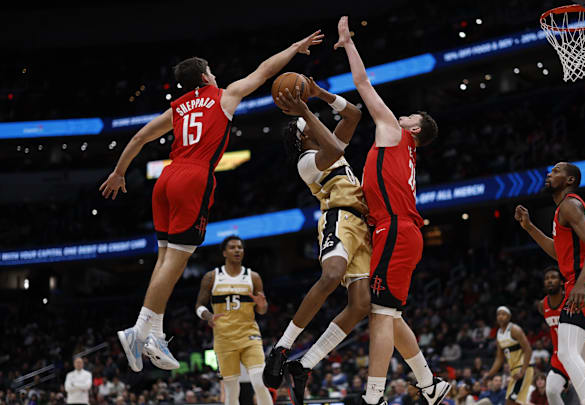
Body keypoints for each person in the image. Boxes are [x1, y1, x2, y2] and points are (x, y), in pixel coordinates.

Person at [99, 31, 324, 372]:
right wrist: (294, 48)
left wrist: (119, 173)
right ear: (206, 77)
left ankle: (152, 332)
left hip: (168, 179)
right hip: (194, 177)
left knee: (164, 259)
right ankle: (138, 329)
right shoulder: (223, 95)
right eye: (213, 72)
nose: (216, 75)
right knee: (175, 263)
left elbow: (141, 136)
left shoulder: (177, 107)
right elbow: (264, 71)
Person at [333, 16, 447, 405]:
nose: (402, 116)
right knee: (390, 314)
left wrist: (348, 43)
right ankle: (429, 382)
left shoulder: (393, 132)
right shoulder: (405, 147)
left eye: (410, 117)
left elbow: (362, 84)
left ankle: (374, 397)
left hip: (396, 230)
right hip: (397, 230)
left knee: (381, 314)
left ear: (414, 130)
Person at [263, 77, 370, 405]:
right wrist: (307, 110)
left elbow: (353, 116)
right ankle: (283, 345)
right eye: (306, 123)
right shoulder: (307, 163)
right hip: (339, 218)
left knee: (361, 305)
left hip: (362, 228)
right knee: (331, 275)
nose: (314, 123)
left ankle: (304, 364)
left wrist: (320, 93)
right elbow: (336, 147)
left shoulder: (327, 148)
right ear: (302, 134)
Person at [515, 162, 585, 405]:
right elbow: (560, 253)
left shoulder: (569, 204)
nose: (549, 174)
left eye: (556, 171)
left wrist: (580, 285)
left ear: (569, 180)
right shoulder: (564, 210)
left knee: (566, 352)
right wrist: (530, 227)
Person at [195, 236, 272, 405]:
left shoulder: (253, 277)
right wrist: (208, 316)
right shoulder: (211, 277)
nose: (237, 250)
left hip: (249, 335)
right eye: (232, 247)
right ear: (224, 252)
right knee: (231, 390)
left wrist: (262, 305)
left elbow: (262, 310)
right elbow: (199, 306)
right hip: (224, 338)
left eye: (240, 247)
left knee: (260, 382)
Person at [484, 306, 533, 405]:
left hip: (523, 369)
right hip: (514, 371)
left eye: (503, 314)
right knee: (515, 402)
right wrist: (489, 375)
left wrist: (522, 371)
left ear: (509, 317)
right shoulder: (498, 334)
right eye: (498, 314)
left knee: (511, 402)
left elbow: (528, 350)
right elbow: (499, 359)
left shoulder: (515, 330)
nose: (500, 316)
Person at [537, 267, 572, 405]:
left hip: (578, 355)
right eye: (546, 279)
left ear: (562, 282)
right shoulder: (542, 305)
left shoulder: (571, 300)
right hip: (559, 358)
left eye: (553, 277)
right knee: (551, 391)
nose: (549, 281)